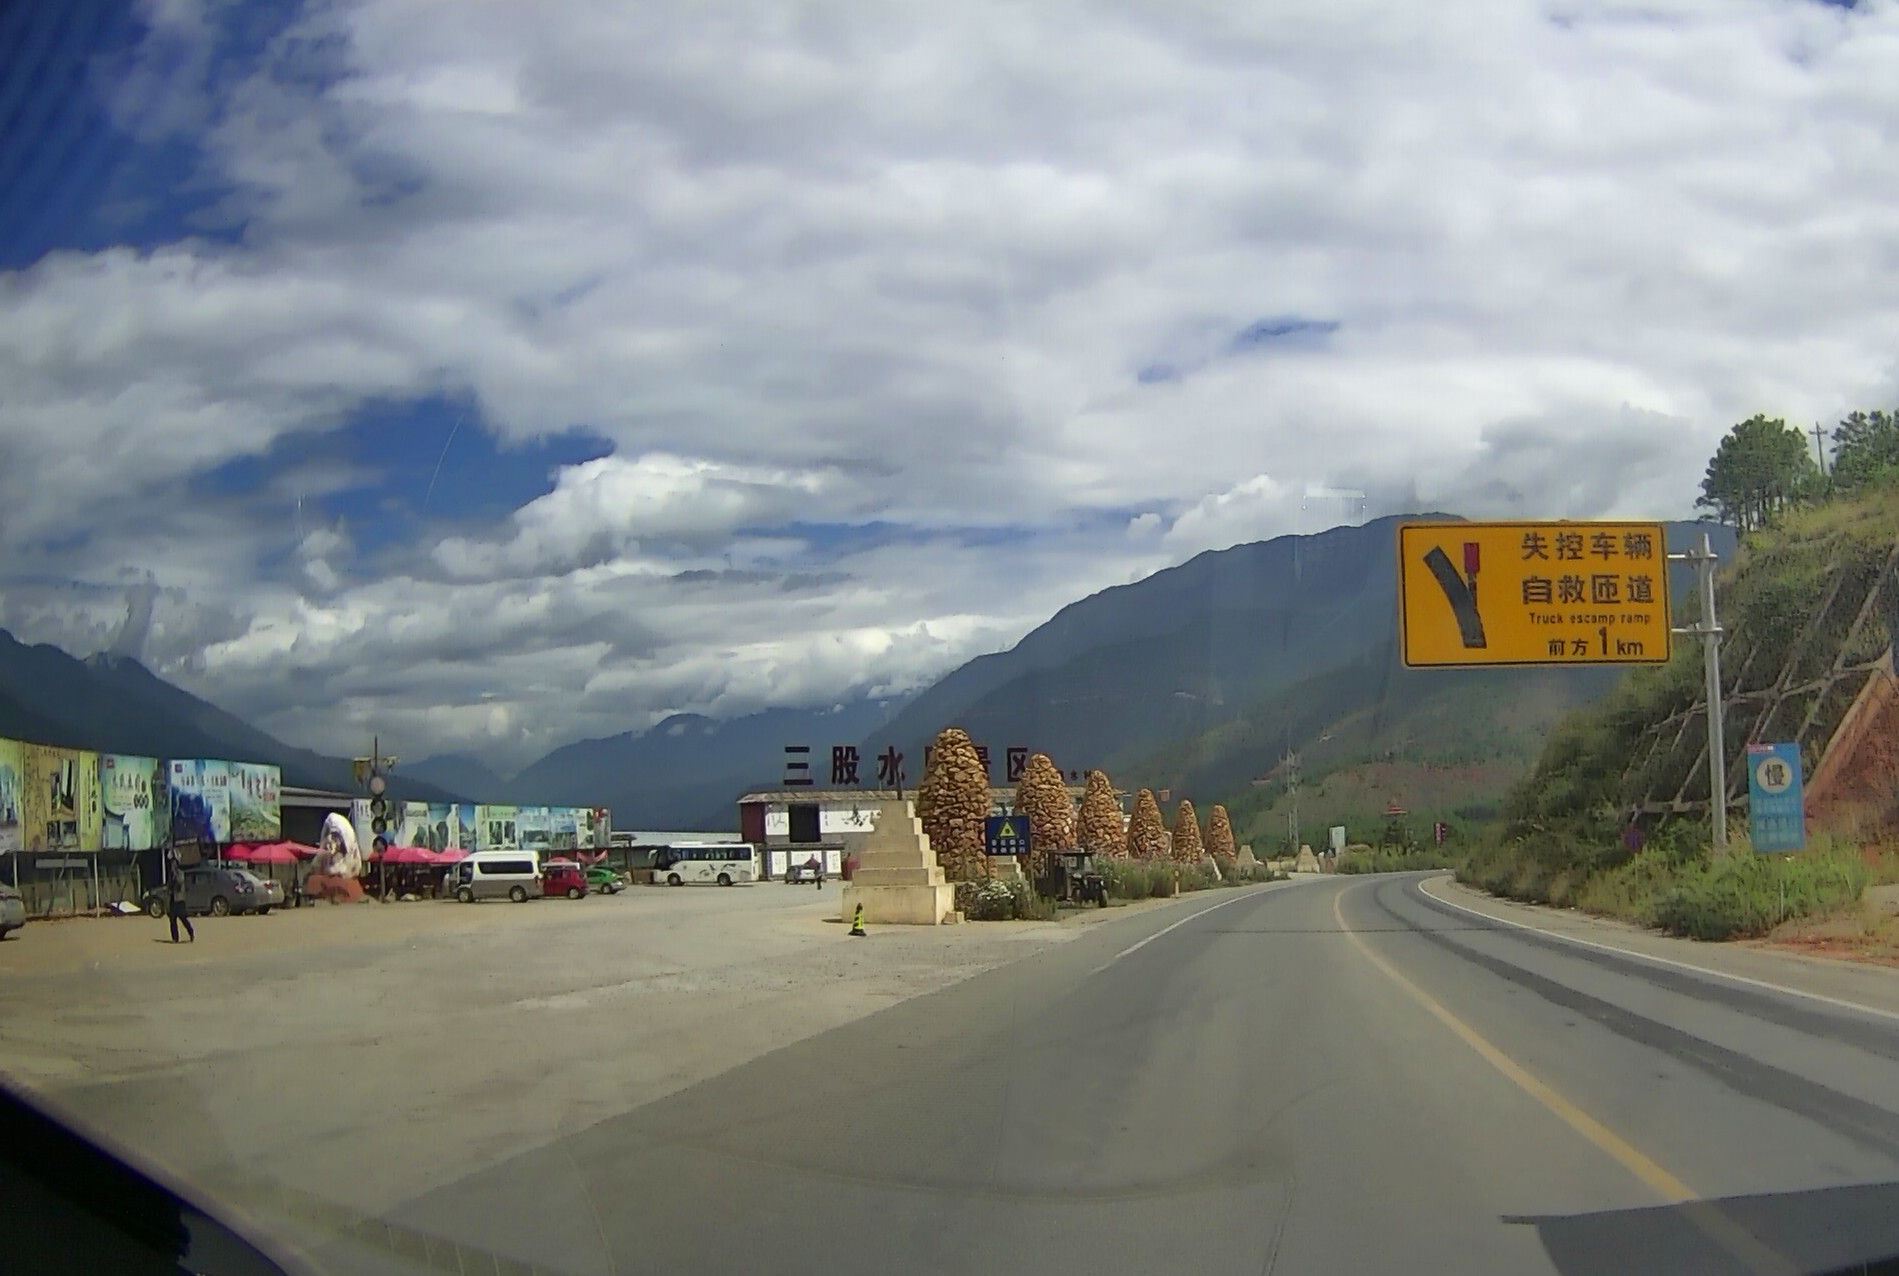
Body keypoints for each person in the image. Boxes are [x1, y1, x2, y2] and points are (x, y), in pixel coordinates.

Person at [164, 851, 194, 944]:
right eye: (172, 863)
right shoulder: (170, 875)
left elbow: (180, 882)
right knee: (172, 919)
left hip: (179, 900)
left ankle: (191, 932)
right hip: (173, 899)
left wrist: (175, 873)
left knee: (183, 918)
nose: (172, 865)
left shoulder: (180, 873)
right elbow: (169, 886)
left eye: (174, 863)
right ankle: (175, 938)